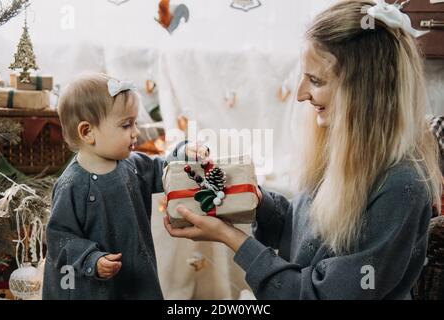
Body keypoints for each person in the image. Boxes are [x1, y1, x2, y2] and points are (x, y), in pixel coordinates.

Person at [164, 0, 442, 299]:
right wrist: (250, 198)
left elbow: (318, 295)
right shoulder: (343, 152)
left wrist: (231, 239)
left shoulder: (401, 186)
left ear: (365, 90)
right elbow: (304, 235)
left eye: (316, 80)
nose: (300, 94)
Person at [43, 73, 207, 299]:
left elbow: (165, 169)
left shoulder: (133, 165)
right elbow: (59, 238)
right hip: (94, 287)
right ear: (87, 132)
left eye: (135, 123)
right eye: (126, 125)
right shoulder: (72, 185)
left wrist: (184, 154)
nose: (136, 132)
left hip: (136, 276)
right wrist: (92, 259)